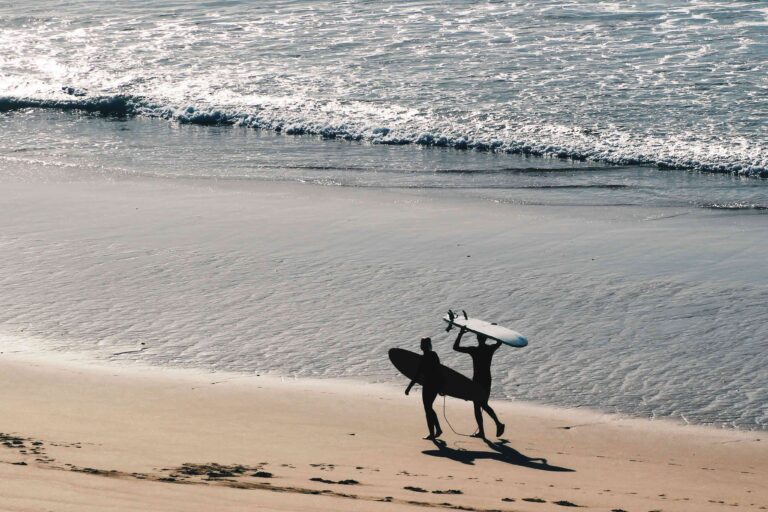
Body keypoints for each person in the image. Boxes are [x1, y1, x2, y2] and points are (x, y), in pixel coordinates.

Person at [453, 326, 505, 438]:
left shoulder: (474, 350)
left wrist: (461, 333)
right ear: (486, 338)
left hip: (477, 379)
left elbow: (455, 347)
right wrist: (494, 330)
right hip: (486, 379)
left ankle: (497, 425)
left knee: (479, 405)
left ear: (477, 338)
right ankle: (485, 430)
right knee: (480, 404)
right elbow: (500, 342)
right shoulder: (490, 349)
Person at [405, 337, 444, 440]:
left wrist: (409, 388)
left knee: (428, 408)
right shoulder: (433, 355)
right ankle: (437, 430)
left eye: (422, 344)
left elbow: (417, 375)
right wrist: (441, 387)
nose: (421, 346)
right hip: (434, 385)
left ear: (424, 346)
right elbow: (439, 371)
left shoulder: (424, 358)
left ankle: (433, 433)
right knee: (429, 408)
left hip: (429, 386)